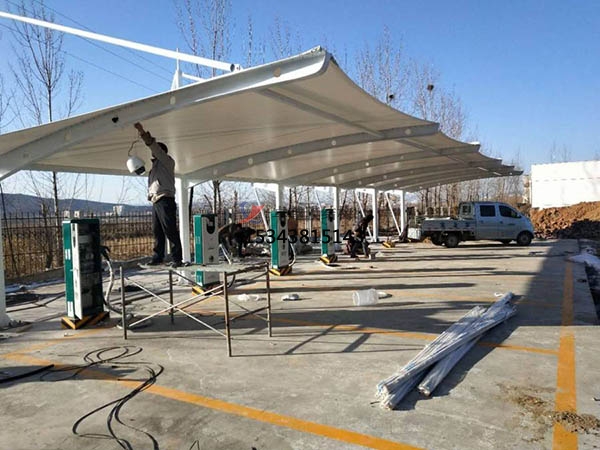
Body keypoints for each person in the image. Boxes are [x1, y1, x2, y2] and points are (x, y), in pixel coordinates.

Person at [134, 122, 183, 268]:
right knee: (157, 231)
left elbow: (153, 145)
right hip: (156, 201)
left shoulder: (167, 161)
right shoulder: (154, 168)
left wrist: (142, 132)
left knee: (170, 229)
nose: (153, 153)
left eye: (156, 151)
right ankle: (158, 257)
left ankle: (177, 258)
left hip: (165, 199)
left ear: (162, 152)